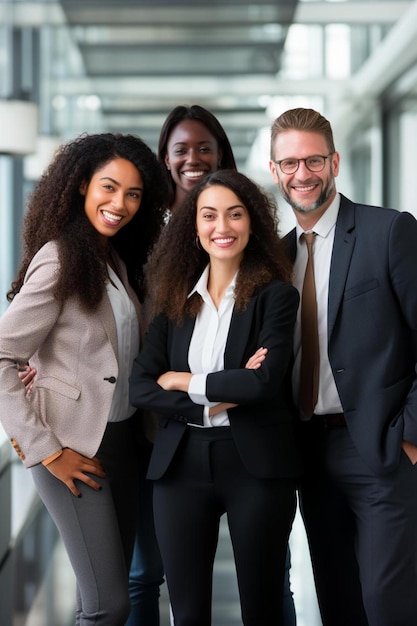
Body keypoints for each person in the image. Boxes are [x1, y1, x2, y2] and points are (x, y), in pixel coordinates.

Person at [0, 132, 167, 626]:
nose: (120, 204)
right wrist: (44, 448)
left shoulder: (112, 258)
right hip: (73, 446)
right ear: (80, 186)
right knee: (108, 605)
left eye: (133, 194)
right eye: (109, 188)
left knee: (97, 598)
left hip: (122, 438)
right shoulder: (60, 257)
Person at [129, 169, 302, 626]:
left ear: (253, 223)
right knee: (185, 613)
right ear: (194, 226)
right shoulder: (173, 299)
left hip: (256, 466)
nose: (221, 227)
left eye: (234, 214)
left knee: (263, 606)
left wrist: (183, 380)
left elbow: (262, 385)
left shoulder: (276, 296)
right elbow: (142, 386)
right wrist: (223, 391)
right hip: (180, 464)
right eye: (209, 216)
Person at [269, 107, 417, 626]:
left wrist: (410, 435)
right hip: (309, 453)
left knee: (388, 604)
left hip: (380, 448)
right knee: (338, 601)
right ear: (274, 171)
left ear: (334, 162)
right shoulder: (276, 259)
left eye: (313, 160)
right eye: (289, 163)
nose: (302, 174)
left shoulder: (389, 231)